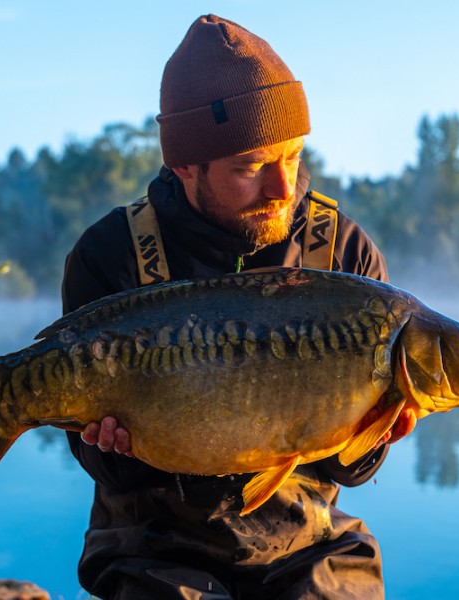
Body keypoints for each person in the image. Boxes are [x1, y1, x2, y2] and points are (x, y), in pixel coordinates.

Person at [61, 14, 415, 600]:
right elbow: (112, 474)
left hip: (309, 545)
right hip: (152, 548)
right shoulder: (112, 255)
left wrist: (372, 433)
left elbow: (345, 471)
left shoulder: (343, 253)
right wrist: (109, 446)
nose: (281, 187)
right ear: (184, 166)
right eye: (251, 167)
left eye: (293, 156)